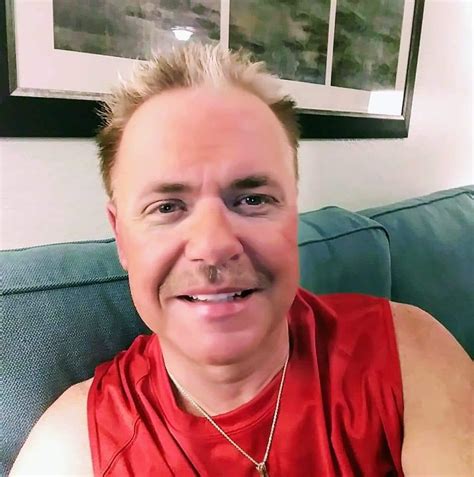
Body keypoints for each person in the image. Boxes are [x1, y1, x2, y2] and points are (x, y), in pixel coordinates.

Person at [10, 44, 471, 477]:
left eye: (252, 199)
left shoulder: (408, 356)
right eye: (167, 207)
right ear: (121, 238)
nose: (213, 245)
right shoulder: (75, 448)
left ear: (292, 215)